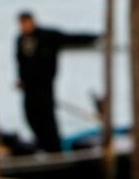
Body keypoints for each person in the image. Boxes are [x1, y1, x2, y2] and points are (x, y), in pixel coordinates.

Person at [15, 11, 98, 152]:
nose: (25, 26)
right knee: (31, 116)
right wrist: (21, 80)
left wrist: (95, 38)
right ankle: (42, 143)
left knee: (47, 118)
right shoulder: (20, 40)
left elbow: (70, 38)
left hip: (44, 86)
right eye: (22, 24)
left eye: (26, 22)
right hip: (29, 88)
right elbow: (20, 62)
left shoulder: (46, 36)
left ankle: (54, 147)